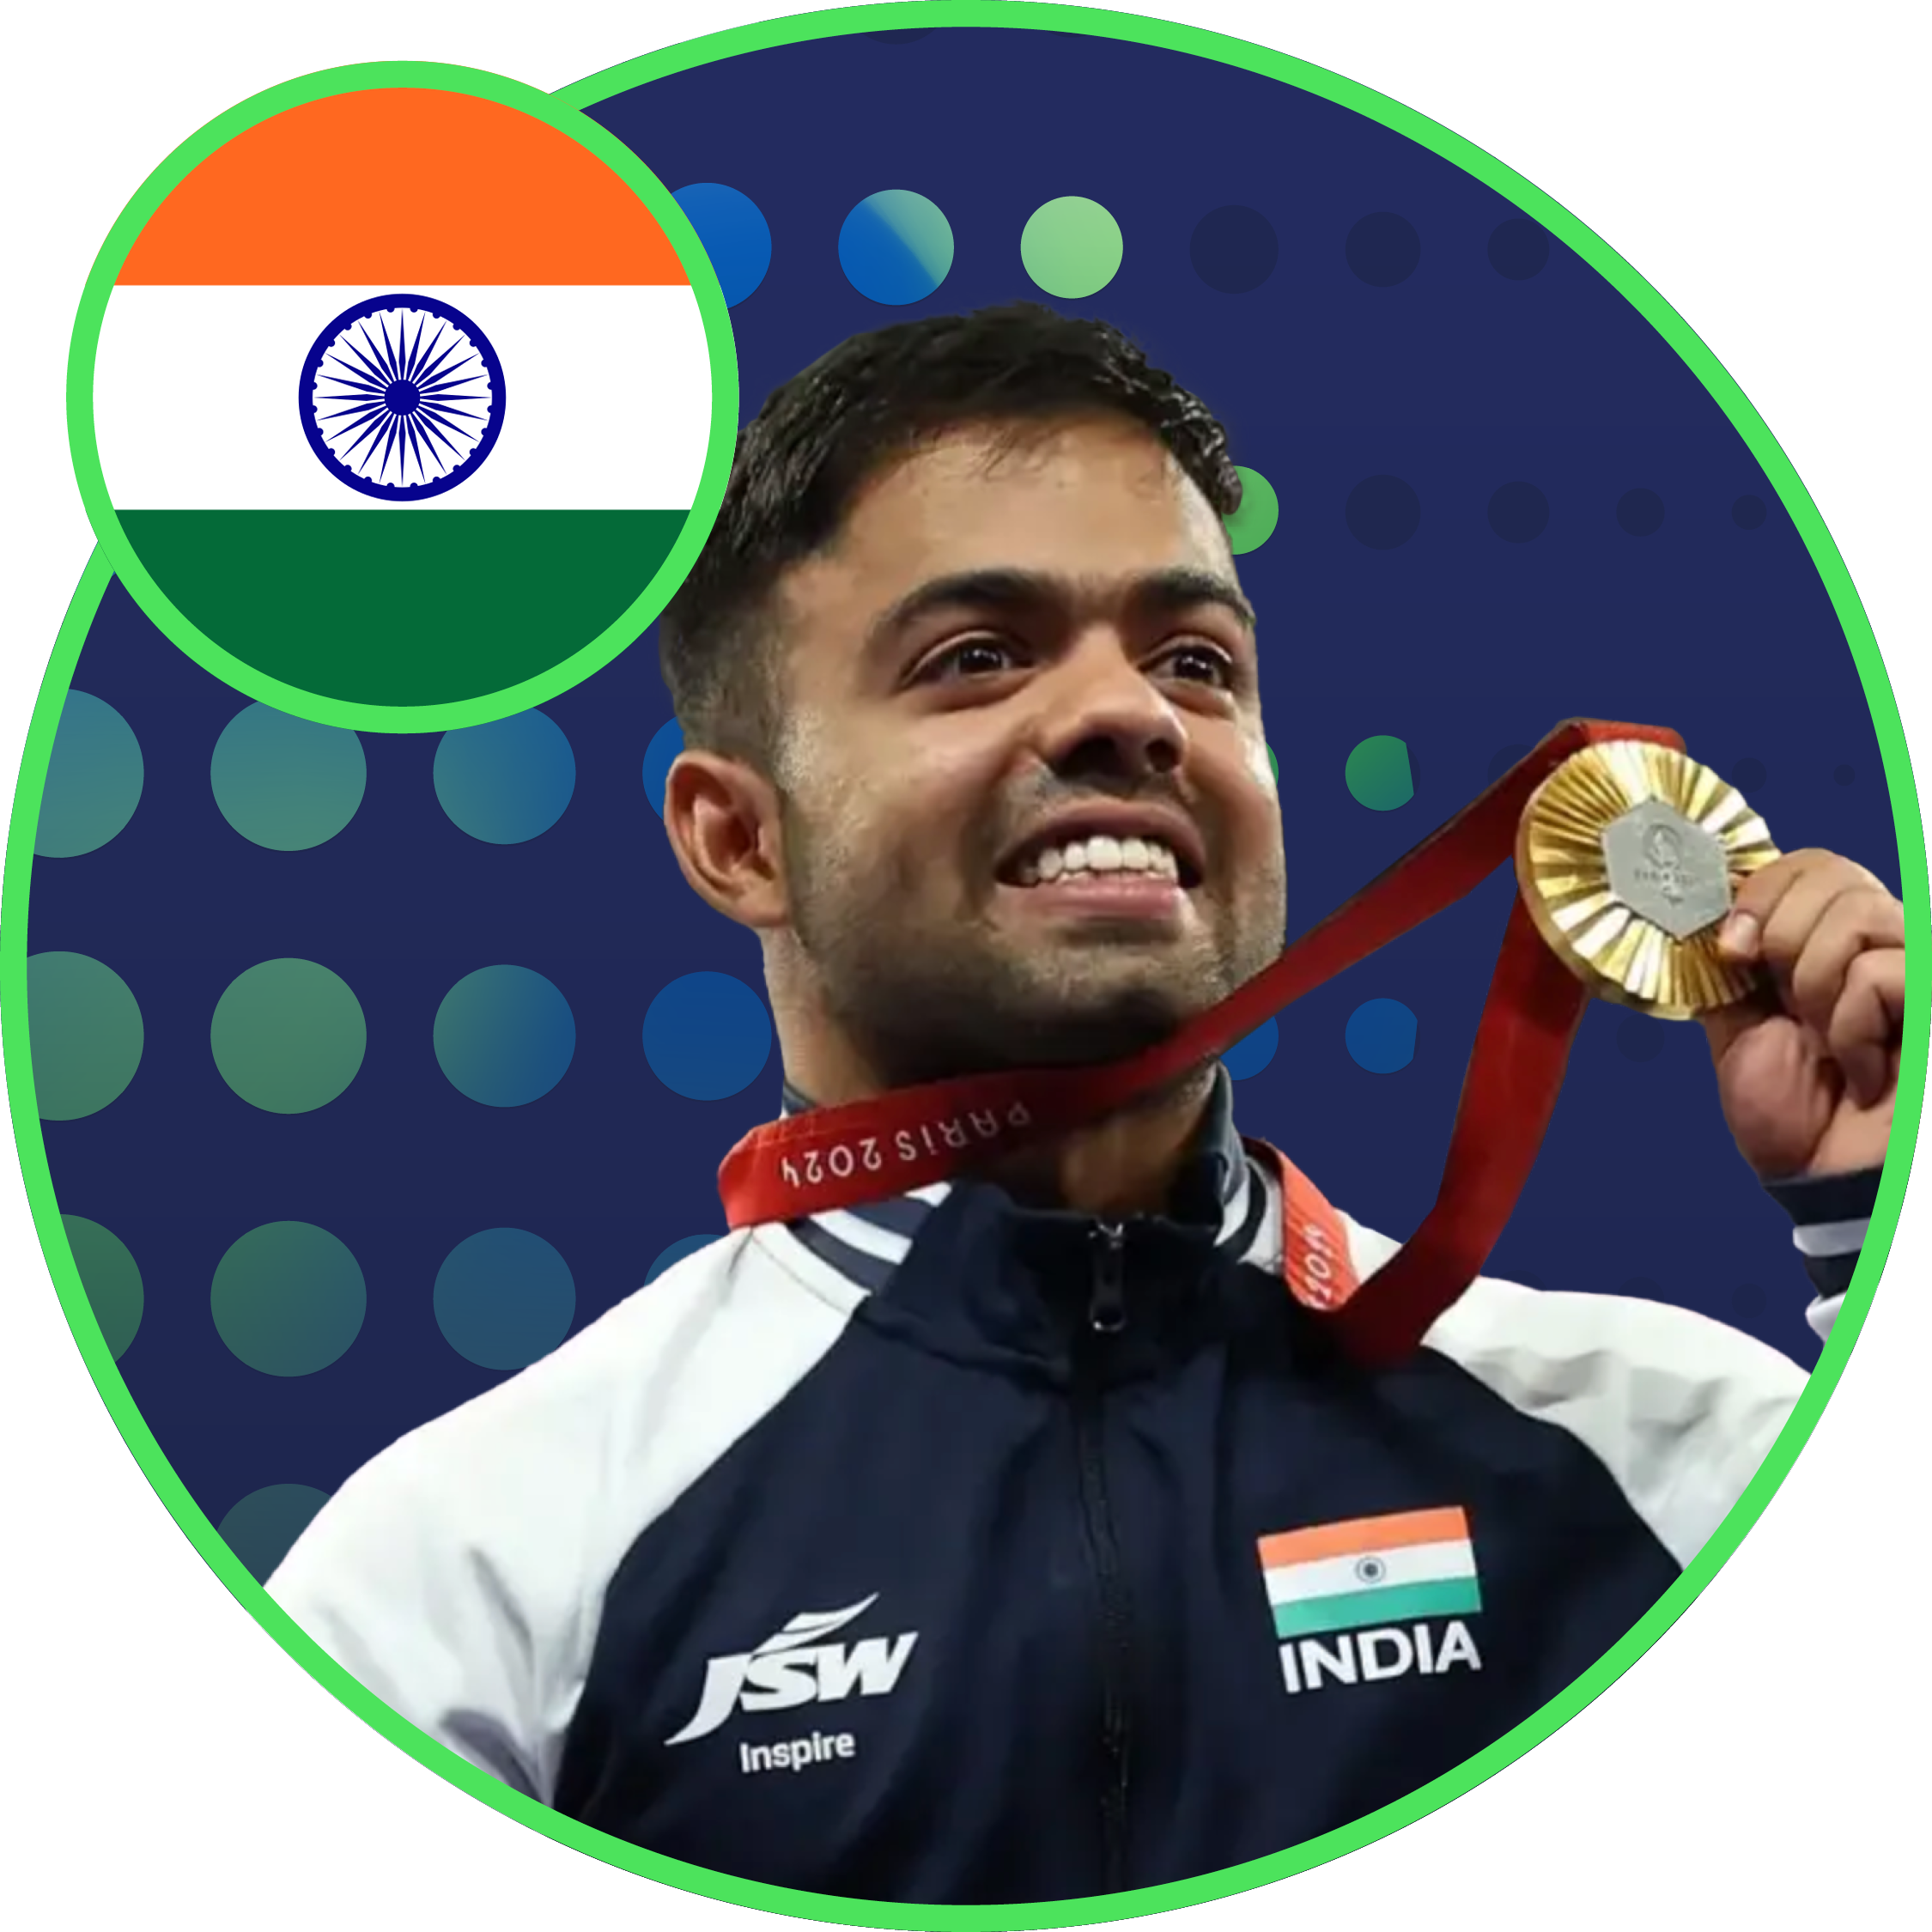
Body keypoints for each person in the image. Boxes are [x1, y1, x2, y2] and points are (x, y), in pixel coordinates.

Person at [269, 304, 1903, 1906]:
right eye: (975, 656)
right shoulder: (476, 1569)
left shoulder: (1660, 1445)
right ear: (736, 840)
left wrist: (1869, 1229)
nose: (1130, 713)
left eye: (1197, 660)